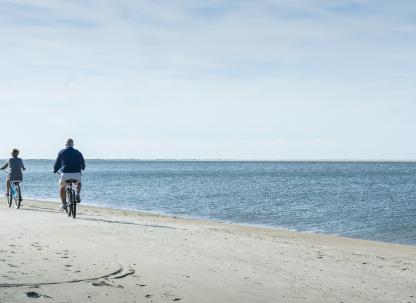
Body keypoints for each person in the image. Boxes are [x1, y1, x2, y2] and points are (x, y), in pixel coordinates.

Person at [53, 139, 85, 209]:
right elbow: (83, 164)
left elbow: (57, 163)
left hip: (65, 174)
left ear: (66, 145)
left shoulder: (62, 152)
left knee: (62, 187)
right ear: (73, 145)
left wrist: (55, 170)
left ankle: (63, 204)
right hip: (76, 174)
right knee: (78, 183)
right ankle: (78, 194)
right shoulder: (78, 152)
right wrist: (82, 168)